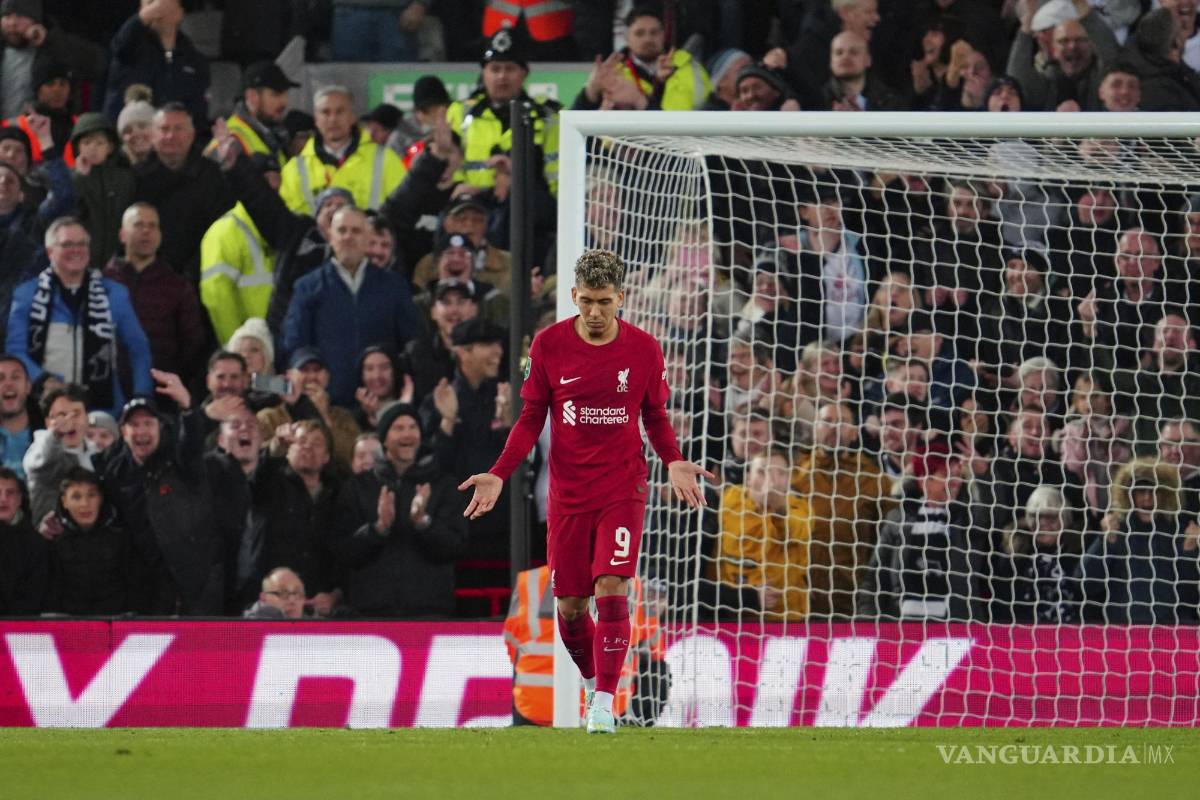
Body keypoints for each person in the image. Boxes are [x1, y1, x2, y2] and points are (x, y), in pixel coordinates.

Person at [459, 249, 711, 734]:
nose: (595, 313)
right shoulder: (549, 345)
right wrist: (500, 471)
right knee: (572, 610)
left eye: (605, 302)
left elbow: (654, 417)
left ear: (622, 297)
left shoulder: (643, 349)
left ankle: (602, 703)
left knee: (612, 588)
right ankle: (595, 679)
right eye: (587, 301)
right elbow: (532, 417)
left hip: (623, 485)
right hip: (568, 493)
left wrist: (673, 459)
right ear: (574, 296)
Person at [98, 371, 241, 616]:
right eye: (134, 424)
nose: (142, 431)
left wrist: (187, 408)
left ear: (160, 428)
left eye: (148, 423)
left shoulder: (179, 461)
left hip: (197, 583)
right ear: (123, 432)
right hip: (147, 587)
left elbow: (191, 443)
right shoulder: (114, 473)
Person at [7, 218, 153, 418]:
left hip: (102, 413)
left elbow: (139, 348)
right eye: (67, 244)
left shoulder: (114, 293)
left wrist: (141, 397)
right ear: (50, 252)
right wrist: (44, 381)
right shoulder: (26, 295)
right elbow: (15, 351)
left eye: (82, 244)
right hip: (45, 410)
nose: (76, 250)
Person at [333, 403, 467, 617]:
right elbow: (343, 551)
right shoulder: (357, 487)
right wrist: (377, 530)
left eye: (413, 427)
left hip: (430, 612)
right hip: (371, 613)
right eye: (398, 428)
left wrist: (424, 523)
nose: (407, 433)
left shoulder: (443, 484)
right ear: (384, 439)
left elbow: (456, 546)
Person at [281, 206, 420, 407]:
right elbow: (295, 344)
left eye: (356, 231)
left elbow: (410, 342)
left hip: (381, 403)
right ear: (330, 235)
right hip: (327, 404)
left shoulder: (394, 286)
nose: (348, 237)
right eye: (342, 230)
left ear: (367, 238)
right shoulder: (307, 287)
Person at [857, 442, 985, 621]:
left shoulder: (966, 518)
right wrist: (868, 619)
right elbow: (874, 579)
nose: (956, 482)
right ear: (925, 481)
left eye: (958, 475)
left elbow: (993, 515)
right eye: (948, 475)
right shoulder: (897, 520)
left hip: (956, 630)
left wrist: (983, 476)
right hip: (902, 630)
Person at [1077, 457, 1200, 623]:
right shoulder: (1116, 529)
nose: (1147, 498)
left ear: (1165, 495)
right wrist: (1104, 543)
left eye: (1154, 490)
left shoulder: (1182, 532)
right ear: (1129, 494)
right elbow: (1085, 586)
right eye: (1141, 490)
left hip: (1171, 632)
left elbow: (1192, 597)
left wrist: (1188, 553)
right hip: (1122, 632)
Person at [445, 30, 561, 196]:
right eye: (495, 68)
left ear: (524, 73)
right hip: (472, 211)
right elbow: (450, 168)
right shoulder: (459, 112)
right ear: (483, 74)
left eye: (510, 68)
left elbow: (556, 177)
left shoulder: (548, 116)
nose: (502, 76)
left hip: (529, 210)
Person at [103, 203, 207, 386]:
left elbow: (193, 343)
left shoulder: (178, 286)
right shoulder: (101, 283)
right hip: (108, 390)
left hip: (160, 395)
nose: (146, 231)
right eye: (138, 225)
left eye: (152, 226)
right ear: (122, 235)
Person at [133, 104, 235, 281]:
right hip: (147, 279)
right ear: (152, 135)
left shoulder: (213, 177)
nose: (170, 135)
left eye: (178, 129)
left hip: (202, 278)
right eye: (164, 129)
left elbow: (223, 230)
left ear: (191, 134)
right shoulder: (135, 178)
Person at [278, 86, 407, 217]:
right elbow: (287, 223)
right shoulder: (294, 169)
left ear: (352, 117)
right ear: (316, 120)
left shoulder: (386, 160)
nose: (333, 119)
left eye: (340, 111)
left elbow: (402, 211)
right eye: (325, 112)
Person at [103, 0, 210, 130]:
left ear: (180, 13)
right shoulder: (130, 47)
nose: (157, 8)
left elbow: (197, 112)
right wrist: (144, 17)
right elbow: (119, 46)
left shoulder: (194, 60)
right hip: (130, 138)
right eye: (150, 3)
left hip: (173, 139)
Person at [256, 348, 360, 472]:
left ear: (327, 377)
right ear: (290, 376)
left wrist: (324, 417)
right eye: (304, 370)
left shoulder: (343, 416)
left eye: (317, 370)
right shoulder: (268, 417)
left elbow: (351, 458)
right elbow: (256, 460)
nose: (311, 377)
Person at [0, 0, 105, 120]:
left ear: (35, 19)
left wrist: (49, 41)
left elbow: (96, 65)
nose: (13, 23)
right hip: (5, 133)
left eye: (20, 16)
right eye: (7, 16)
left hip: (49, 130)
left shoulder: (53, 46)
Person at [46, 466, 130, 615]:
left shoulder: (121, 539)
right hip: (69, 626)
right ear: (64, 501)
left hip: (115, 625)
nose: (85, 503)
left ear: (101, 498)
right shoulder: (53, 543)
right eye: (76, 497)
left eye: (92, 495)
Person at [70, 112, 135, 267]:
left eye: (100, 143)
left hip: (118, 261)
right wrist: (79, 179)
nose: (93, 148)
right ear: (77, 147)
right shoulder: (71, 178)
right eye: (87, 142)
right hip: (81, 260)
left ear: (110, 147)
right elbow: (71, 211)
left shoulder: (126, 178)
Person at [23, 382, 95, 523]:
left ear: (87, 418)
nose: (69, 421)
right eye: (61, 415)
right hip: (51, 540)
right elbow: (38, 464)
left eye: (76, 414)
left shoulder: (98, 453)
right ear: (48, 422)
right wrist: (55, 434)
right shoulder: (39, 449)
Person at [219, 62, 298, 169]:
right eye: (276, 94)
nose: (284, 102)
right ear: (252, 96)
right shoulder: (229, 139)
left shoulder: (274, 135)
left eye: (286, 94)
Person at [0, 465, 48, 614]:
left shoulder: (37, 544)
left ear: (20, 498)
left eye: (10, 493)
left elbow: (35, 595)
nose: (3, 499)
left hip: (20, 629)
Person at [0, 353, 33, 476]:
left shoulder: (48, 435)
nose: (8, 384)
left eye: (16, 377)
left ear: (28, 387)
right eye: (0, 378)